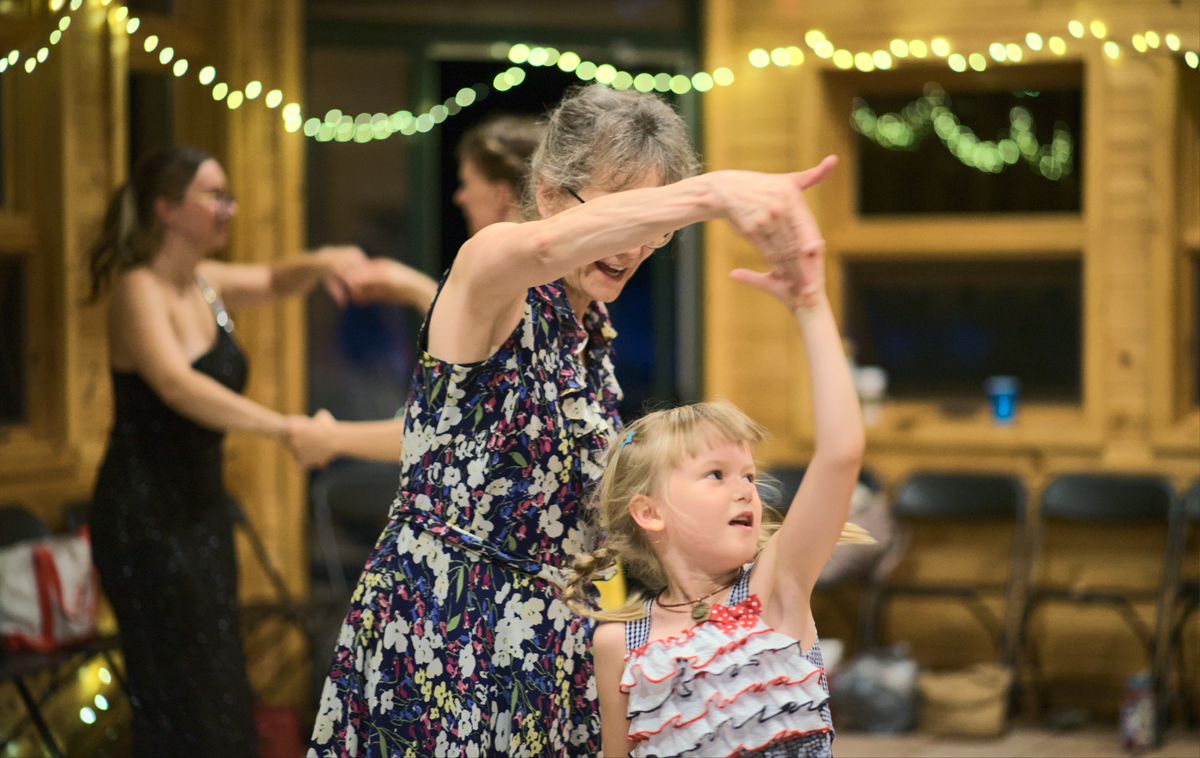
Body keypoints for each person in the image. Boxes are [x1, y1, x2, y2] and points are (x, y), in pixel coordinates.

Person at [308, 83, 837, 757]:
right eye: (623, 219)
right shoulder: (494, 267)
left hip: (552, 632)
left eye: (655, 232)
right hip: (447, 620)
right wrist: (715, 193)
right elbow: (546, 247)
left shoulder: (592, 333)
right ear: (551, 190)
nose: (637, 246)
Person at [560, 178, 870, 757]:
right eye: (716, 475)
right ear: (648, 513)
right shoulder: (616, 643)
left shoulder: (777, 589)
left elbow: (841, 453)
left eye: (749, 476)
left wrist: (810, 304)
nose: (745, 492)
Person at [86, 145, 368, 756]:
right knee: (173, 685)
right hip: (143, 517)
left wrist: (320, 261)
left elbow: (270, 279)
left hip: (202, 510)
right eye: (215, 195)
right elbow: (175, 385)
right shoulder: (138, 290)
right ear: (166, 208)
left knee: (218, 676)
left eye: (230, 195)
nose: (230, 208)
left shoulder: (206, 284)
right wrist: (283, 428)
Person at [289, 115, 544, 467]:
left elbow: (461, 423)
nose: (459, 197)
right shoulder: (540, 276)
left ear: (501, 194)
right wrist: (410, 287)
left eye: (467, 183)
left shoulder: (509, 275)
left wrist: (332, 438)